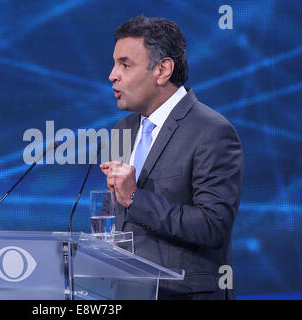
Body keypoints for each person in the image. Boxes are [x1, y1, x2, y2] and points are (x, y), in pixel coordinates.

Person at [100, 16, 244, 299]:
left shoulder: (212, 131)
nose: (112, 75)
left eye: (125, 65)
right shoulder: (123, 129)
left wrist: (135, 198)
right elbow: (113, 216)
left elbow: (213, 225)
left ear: (163, 69)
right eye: (115, 63)